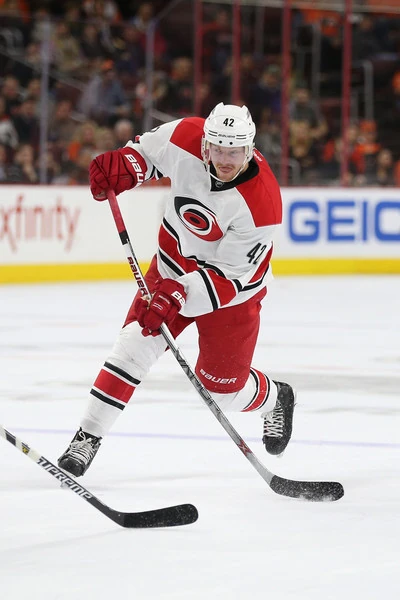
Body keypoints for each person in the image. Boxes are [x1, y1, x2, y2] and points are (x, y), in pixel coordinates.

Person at [58, 103, 296, 477]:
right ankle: (88, 437)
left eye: (234, 152)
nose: (225, 160)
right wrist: (125, 167)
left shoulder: (262, 205)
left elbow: (229, 278)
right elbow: (147, 154)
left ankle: (274, 397)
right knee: (133, 346)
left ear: (249, 149)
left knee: (221, 392)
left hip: (232, 295)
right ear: (206, 144)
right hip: (172, 264)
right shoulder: (186, 135)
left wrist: (179, 295)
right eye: (218, 149)